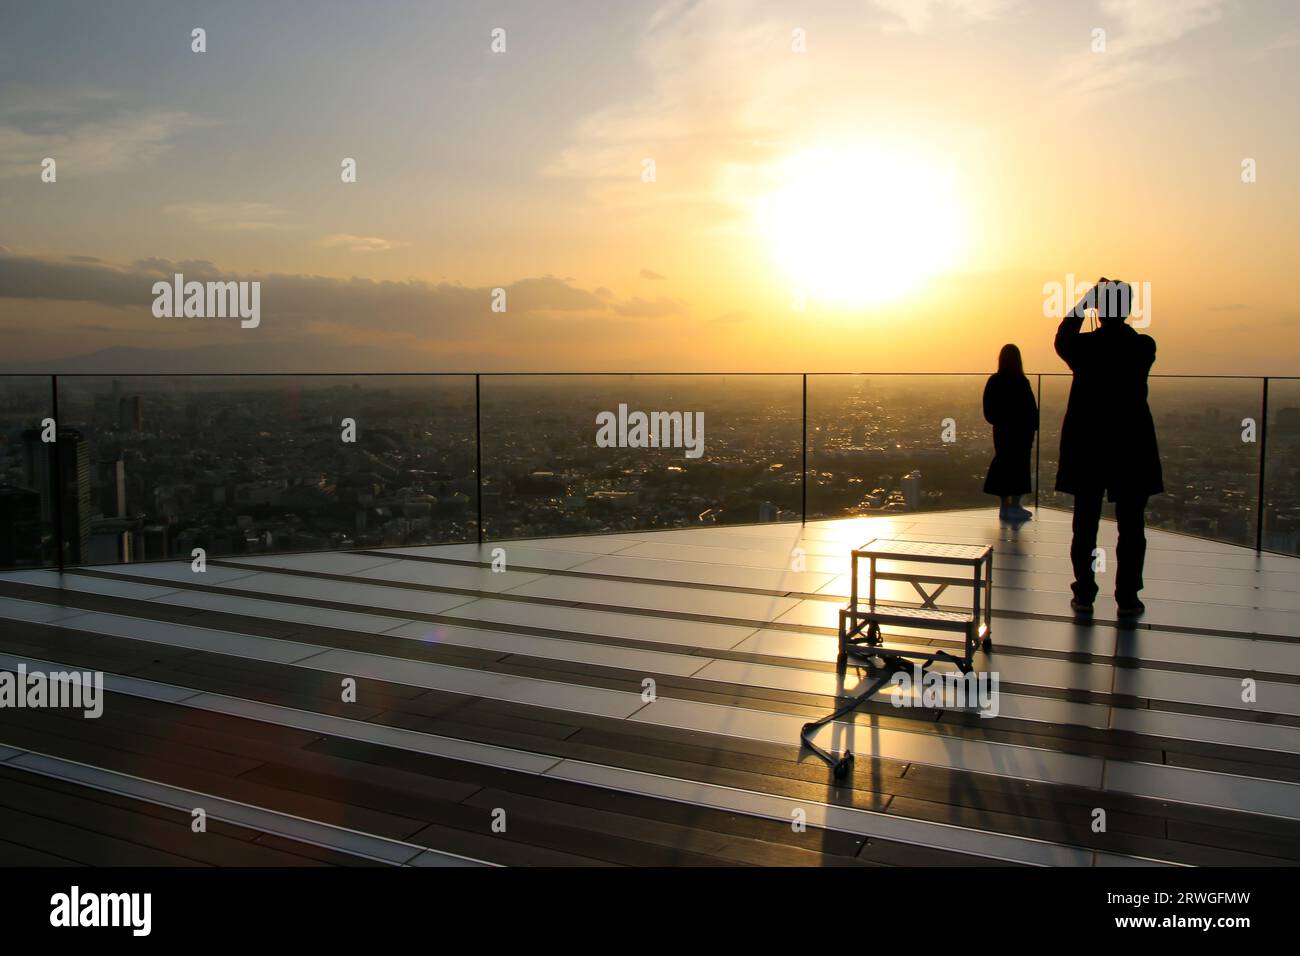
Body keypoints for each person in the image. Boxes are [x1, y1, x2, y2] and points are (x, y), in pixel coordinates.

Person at [1054, 278, 1163, 618]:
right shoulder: (1144, 347)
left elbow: (1062, 339)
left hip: (1089, 447)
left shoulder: (1084, 349)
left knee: (1085, 524)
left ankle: (1085, 592)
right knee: (1131, 527)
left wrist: (1082, 302)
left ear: (1098, 311)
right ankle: (1127, 597)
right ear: (1128, 310)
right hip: (1131, 446)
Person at [982, 344, 1038, 522]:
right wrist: (1031, 427)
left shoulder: (994, 381)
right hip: (1021, 432)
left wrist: (1000, 421)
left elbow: (989, 410)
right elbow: (1031, 409)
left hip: (1002, 431)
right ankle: (1015, 505)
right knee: (1019, 467)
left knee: (1003, 464)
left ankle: (1004, 506)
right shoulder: (1021, 381)